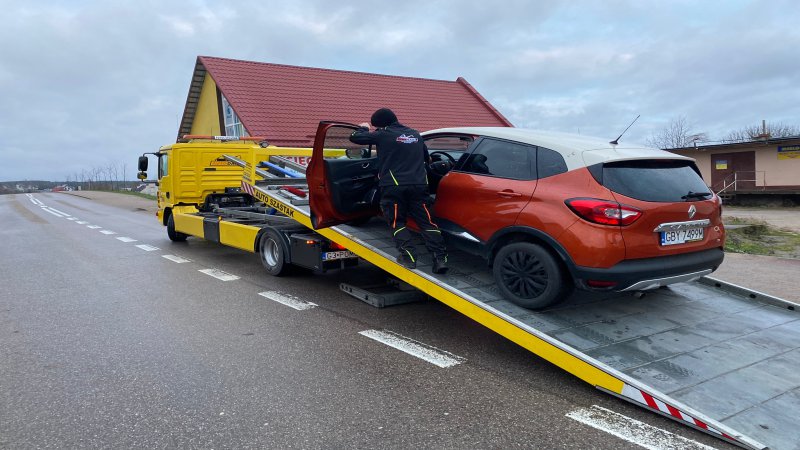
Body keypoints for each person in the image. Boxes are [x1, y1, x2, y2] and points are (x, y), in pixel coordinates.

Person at [349, 108, 448, 274]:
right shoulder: (415, 134)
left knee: (397, 222)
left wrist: (364, 128)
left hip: (394, 187)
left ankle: (409, 257)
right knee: (426, 223)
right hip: (419, 186)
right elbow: (427, 159)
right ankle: (440, 259)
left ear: (381, 125)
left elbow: (354, 137)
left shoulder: (382, 134)